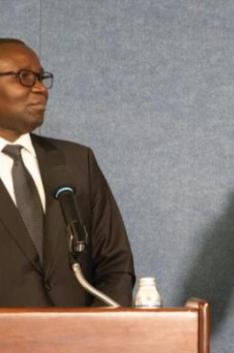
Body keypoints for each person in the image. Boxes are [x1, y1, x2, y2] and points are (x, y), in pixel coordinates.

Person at [0, 38, 134, 307]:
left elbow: (116, 265)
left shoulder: (77, 162)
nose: (40, 89)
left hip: (79, 333)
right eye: (24, 77)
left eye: (41, 77)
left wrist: (95, 327)